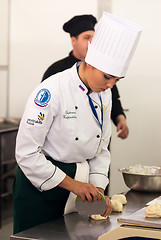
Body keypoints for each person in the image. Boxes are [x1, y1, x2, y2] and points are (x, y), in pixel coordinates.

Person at [13, 11, 142, 234]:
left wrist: (98, 189)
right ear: (90, 62)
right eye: (107, 77)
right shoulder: (51, 91)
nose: (111, 85)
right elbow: (26, 153)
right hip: (40, 190)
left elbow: (101, 149)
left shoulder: (104, 93)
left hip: (78, 190)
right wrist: (76, 185)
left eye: (116, 80)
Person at [42, 14, 129, 140]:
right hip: (65, 145)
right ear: (73, 40)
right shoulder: (55, 70)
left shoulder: (103, 69)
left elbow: (112, 98)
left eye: (94, 38)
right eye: (86, 37)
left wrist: (120, 119)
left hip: (97, 143)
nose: (91, 42)